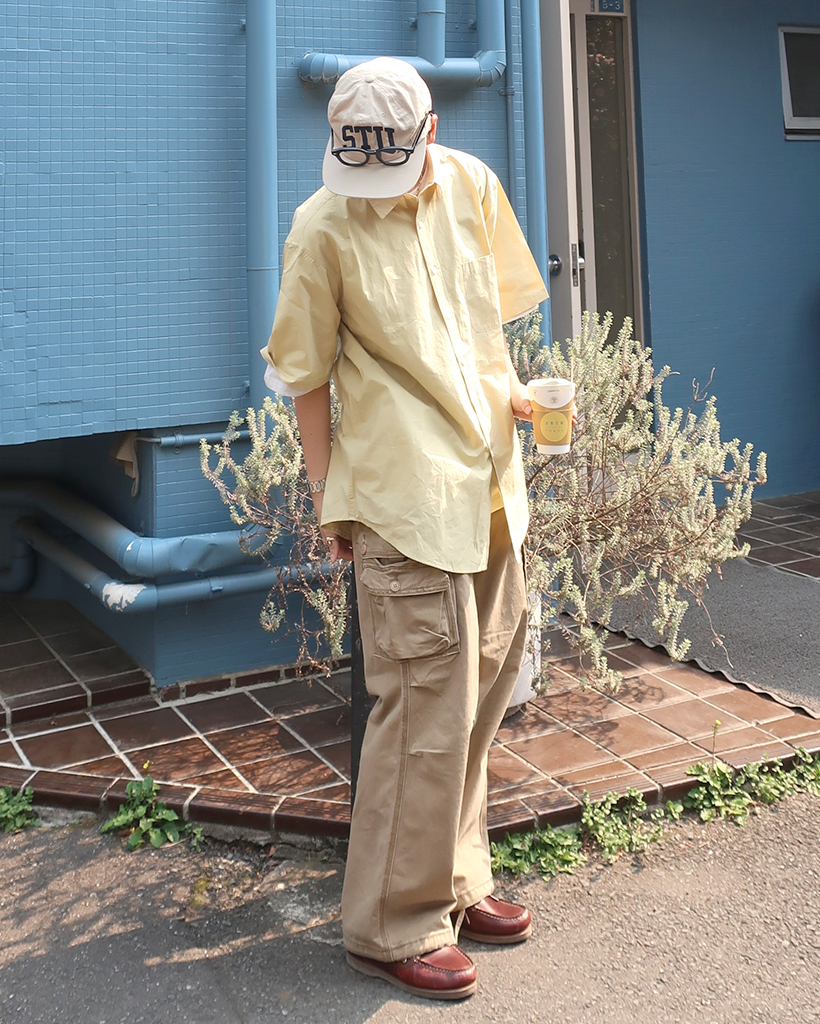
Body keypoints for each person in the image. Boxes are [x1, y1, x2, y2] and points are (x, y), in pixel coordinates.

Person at [262, 56, 548, 1001]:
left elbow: (485, 327)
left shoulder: (473, 184)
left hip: (491, 484)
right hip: (400, 498)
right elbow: (303, 376)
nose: (374, 182)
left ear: (430, 131)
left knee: (478, 696)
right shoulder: (320, 226)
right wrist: (326, 499)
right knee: (421, 714)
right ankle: (391, 924)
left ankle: (456, 880)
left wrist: (520, 397)